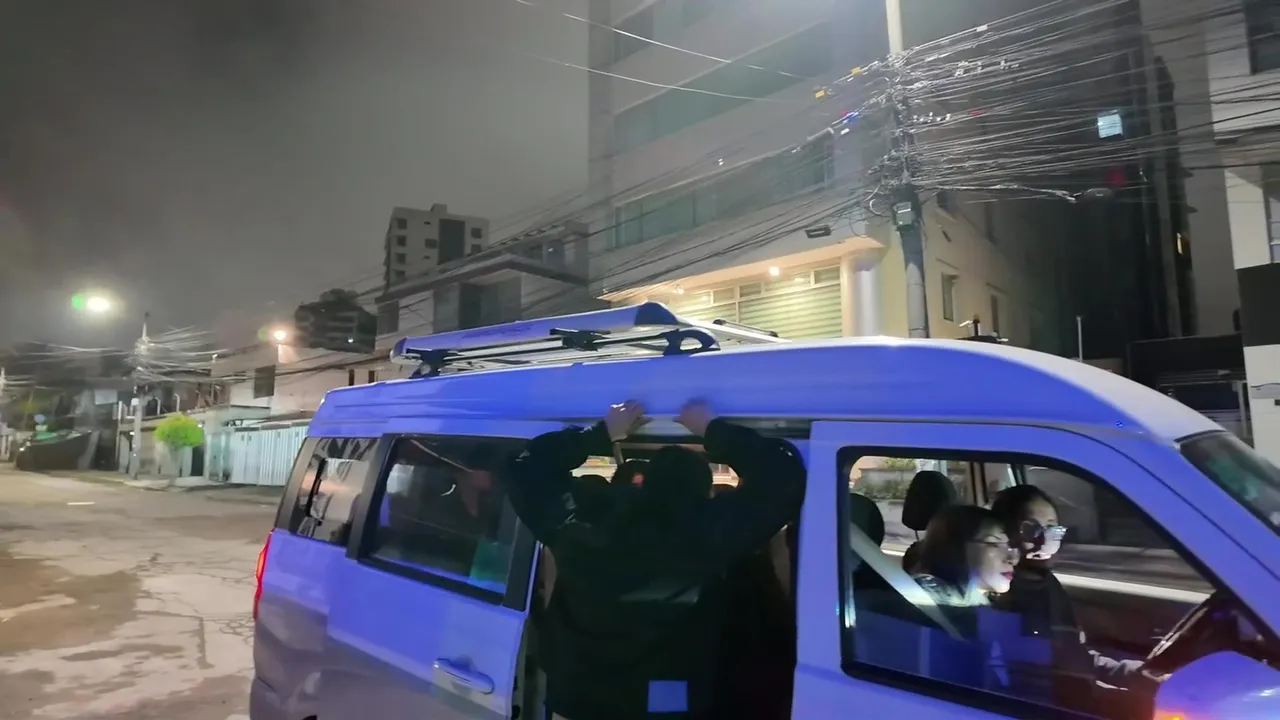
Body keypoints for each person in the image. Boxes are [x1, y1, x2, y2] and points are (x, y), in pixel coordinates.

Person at [500, 399, 806, 720]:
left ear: (645, 483)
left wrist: (601, 434)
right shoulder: (709, 532)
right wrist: (714, 431)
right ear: (705, 493)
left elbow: (524, 469)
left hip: (577, 699)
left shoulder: (584, 521)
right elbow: (783, 477)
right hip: (663, 704)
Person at [988, 485, 1159, 716]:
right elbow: (1037, 686)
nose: (1044, 541)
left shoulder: (1048, 584)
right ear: (1004, 534)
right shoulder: (1004, 598)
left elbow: (1074, 655)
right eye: (1030, 529)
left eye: (1052, 528)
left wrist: (1135, 674)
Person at [910, 504, 1018, 608]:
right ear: (954, 547)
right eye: (994, 543)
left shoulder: (978, 606)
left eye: (1010, 547)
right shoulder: (922, 601)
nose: (1013, 559)